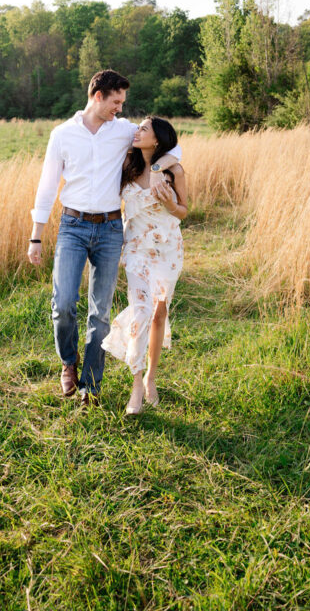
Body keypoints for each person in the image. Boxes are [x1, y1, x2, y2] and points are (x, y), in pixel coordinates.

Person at [27, 70, 181, 408]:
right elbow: (47, 186)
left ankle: (90, 386)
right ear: (99, 96)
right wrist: (35, 237)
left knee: (100, 312)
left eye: (122, 103)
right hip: (72, 225)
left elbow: (171, 145)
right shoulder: (62, 135)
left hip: (111, 230)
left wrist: (157, 170)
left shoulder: (124, 132)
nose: (120, 109)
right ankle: (69, 362)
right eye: (116, 101)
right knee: (63, 303)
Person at [101, 116, 187, 415]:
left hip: (167, 249)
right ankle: (136, 385)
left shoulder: (173, 170)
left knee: (159, 314)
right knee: (141, 311)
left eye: (144, 129)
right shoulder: (128, 166)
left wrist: (170, 205)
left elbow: (184, 211)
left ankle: (151, 376)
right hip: (136, 249)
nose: (137, 131)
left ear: (158, 139)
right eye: (137, 127)